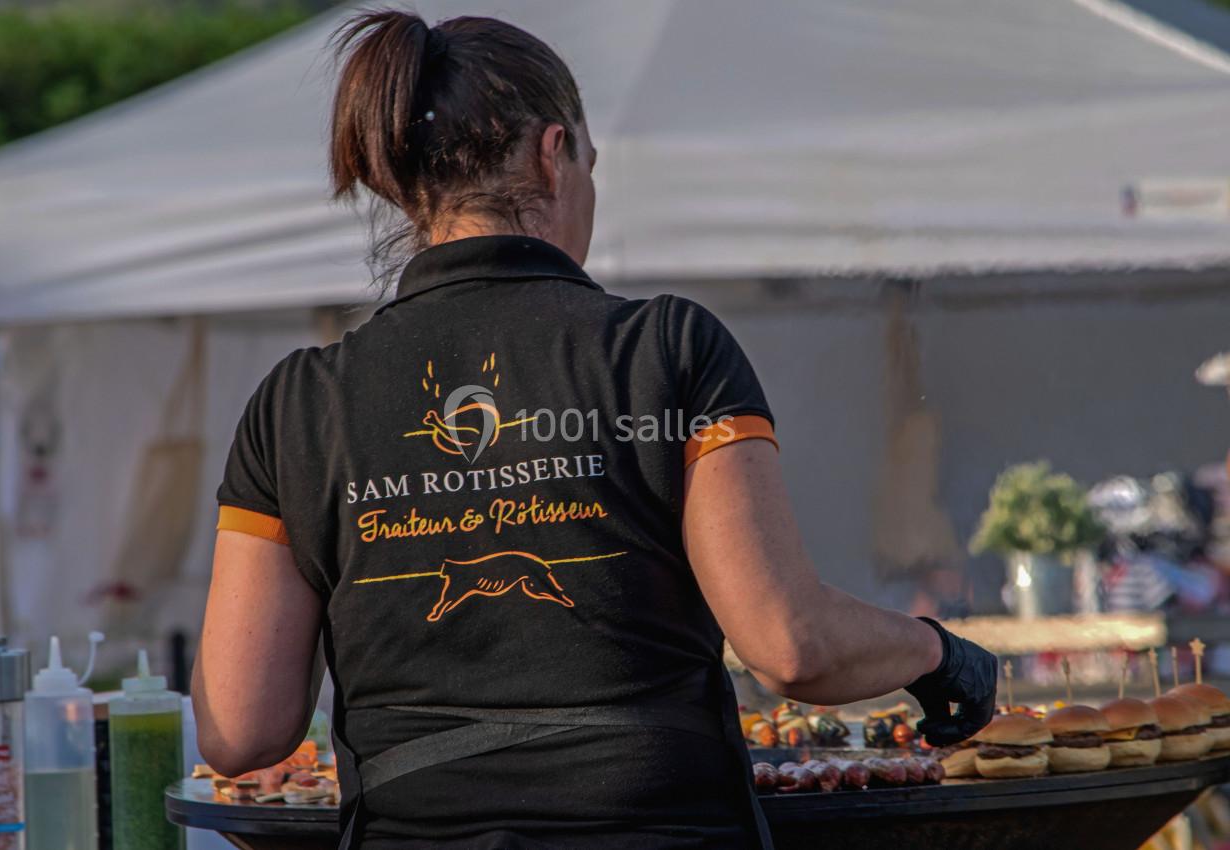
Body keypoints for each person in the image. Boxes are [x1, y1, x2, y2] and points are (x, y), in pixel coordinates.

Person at [192, 10, 996, 849]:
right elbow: (791, 646)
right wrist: (937, 653)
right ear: (553, 154)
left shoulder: (297, 404)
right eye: (589, 163)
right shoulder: (667, 349)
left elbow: (241, 732)